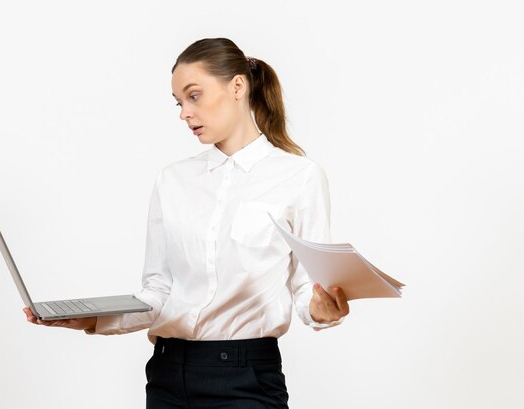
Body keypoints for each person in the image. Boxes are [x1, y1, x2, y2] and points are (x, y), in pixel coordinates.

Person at [24, 37, 350, 409]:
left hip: (246, 378)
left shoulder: (299, 176)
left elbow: (309, 289)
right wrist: (89, 320)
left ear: (238, 87)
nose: (184, 113)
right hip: (167, 375)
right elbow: (158, 291)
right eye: (179, 103)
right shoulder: (173, 180)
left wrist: (323, 310)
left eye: (194, 96)